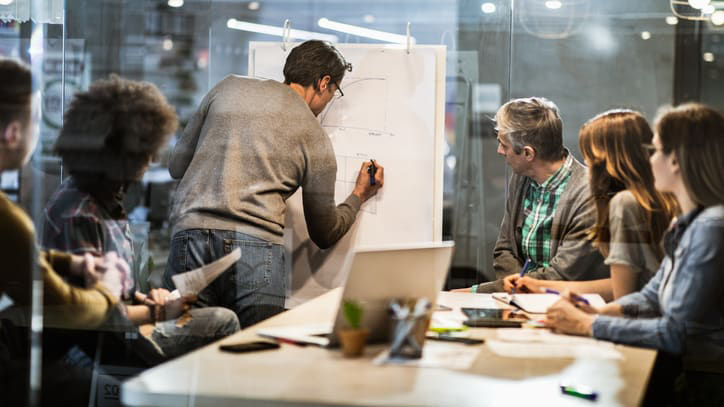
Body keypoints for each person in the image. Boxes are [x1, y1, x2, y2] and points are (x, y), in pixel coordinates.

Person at [164, 40, 384, 327]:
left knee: (184, 355)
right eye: (334, 92)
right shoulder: (314, 137)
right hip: (255, 250)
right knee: (254, 358)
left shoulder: (226, 88)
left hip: (189, 239)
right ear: (323, 82)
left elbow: (176, 165)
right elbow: (325, 232)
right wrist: (358, 195)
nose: (330, 100)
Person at [42, 75, 240, 359]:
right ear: (121, 154)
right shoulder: (79, 215)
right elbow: (95, 320)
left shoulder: (105, 199)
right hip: (94, 350)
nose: (151, 162)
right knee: (217, 329)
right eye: (145, 153)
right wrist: (155, 312)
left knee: (222, 320)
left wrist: (145, 298)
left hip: (120, 330)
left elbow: (112, 292)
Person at [545, 103, 724, 405]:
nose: (650, 160)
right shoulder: (688, 221)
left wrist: (587, 324)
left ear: (676, 160)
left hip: (705, 379)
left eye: (656, 151)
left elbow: (674, 332)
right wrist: (598, 311)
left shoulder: (710, 227)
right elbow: (651, 295)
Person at [0, 59, 133, 406]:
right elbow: (66, 307)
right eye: (34, 121)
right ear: (12, 133)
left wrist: (73, 264)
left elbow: (20, 255)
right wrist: (107, 290)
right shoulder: (6, 216)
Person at [506, 110, 678, 301]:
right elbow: (621, 284)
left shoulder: (625, 204)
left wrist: (584, 320)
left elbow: (624, 297)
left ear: (605, 159)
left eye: (589, 156)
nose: (586, 165)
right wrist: (540, 285)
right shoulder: (663, 201)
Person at [453, 97, 607, 293]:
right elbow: (504, 249)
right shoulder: (522, 178)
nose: (500, 151)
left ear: (528, 154)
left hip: (559, 302)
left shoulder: (589, 195)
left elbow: (562, 274)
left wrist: (485, 290)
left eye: (504, 145)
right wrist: (515, 288)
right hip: (517, 296)